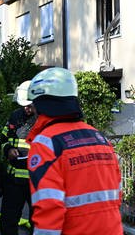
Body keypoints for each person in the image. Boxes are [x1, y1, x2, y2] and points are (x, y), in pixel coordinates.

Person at [26, 67, 123, 235]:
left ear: (42, 104)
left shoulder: (45, 143)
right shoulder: (100, 138)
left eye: (34, 105)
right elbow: (117, 194)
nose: (32, 110)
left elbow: (48, 209)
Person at [0, 80, 36, 235]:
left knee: (39, 222)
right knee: (8, 221)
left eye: (30, 105)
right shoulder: (15, 116)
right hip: (14, 181)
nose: (26, 108)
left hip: (36, 182)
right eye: (24, 105)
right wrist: (8, 149)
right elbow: (2, 138)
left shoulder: (44, 120)